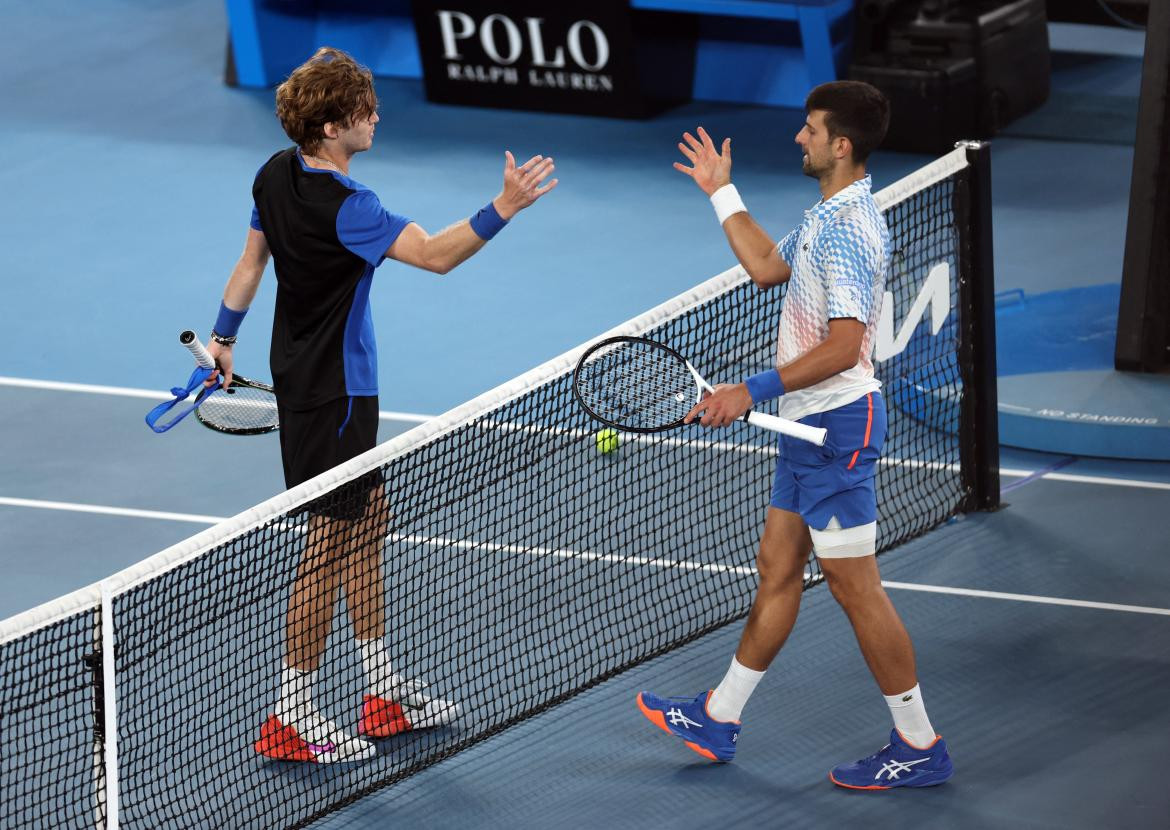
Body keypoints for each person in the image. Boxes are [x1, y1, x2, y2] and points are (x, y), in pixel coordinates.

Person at [203, 47, 557, 764]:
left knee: (369, 519)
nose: (375, 116)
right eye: (363, 110)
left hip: (313, 381)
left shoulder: (273, 173)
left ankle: (380, 687)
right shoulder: (352, 209)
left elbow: (250, 263)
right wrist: (505, 208)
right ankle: (291, 713)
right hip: (335, 393)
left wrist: (221, 337)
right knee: (326, 547)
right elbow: (434, 255)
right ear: (332, 127)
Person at [636, 81, 953, 790]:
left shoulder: (847, 229)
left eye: (810, 130)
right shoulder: (828, 215)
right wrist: (722, 192)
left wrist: (751, 389)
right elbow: (766, 268)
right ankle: (719, 715)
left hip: (834, 429)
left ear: (841, 145)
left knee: (855, 589)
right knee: (778, 566)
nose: (798, 138)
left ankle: (919, 742)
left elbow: (845, 346)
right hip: (807, 423)